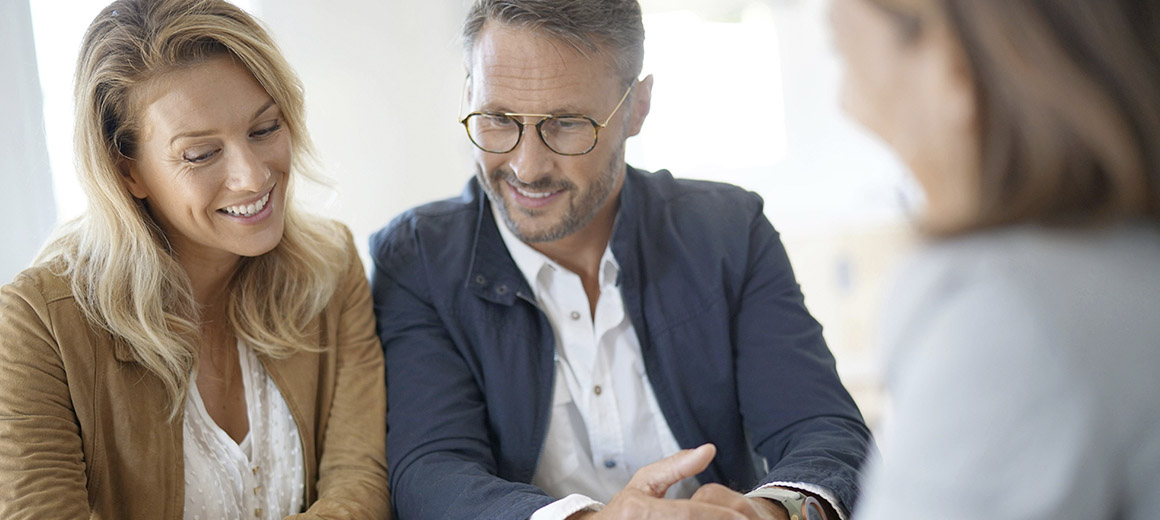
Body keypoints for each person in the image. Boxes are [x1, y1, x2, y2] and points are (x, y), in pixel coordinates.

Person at [370, 1, 873, 519]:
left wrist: (764, 514)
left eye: (566, 124)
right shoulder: (416, 260)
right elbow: (431, 472)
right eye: (498, 119)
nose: (526, 166)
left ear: (637, 107)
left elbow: (824, 431)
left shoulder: (730, 231)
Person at [0, 0, 390, 518]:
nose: (252, 176)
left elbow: (360, 488)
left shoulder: (332, 268)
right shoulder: (37, 323)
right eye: (201, 154)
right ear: (127, 173)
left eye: (265, 128)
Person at [827, 0, 1160, 519]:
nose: (847, 105)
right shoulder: (1126, 263)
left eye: (843, 53)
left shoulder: (1010, 316)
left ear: (952, 66)